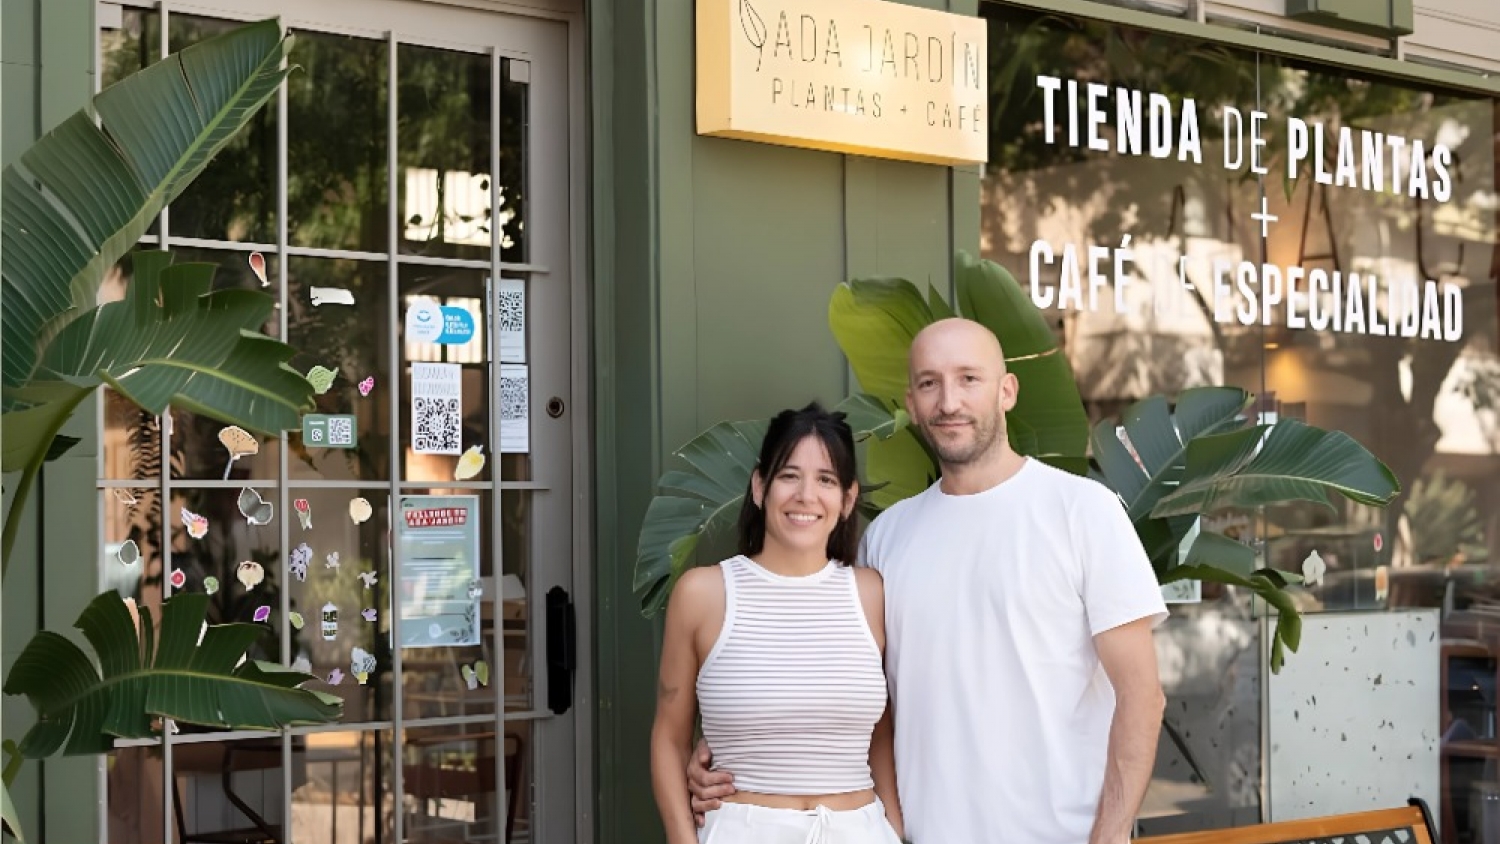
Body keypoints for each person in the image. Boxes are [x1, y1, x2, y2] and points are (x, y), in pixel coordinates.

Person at [689, 318, 1168, 844]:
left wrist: (1111, 835)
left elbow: (1141, 696)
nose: (949, 402)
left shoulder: (1081, 510)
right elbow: (844, 692)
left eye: (969, 379)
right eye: (929, 383)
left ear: (1006, 391)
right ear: (912, 403)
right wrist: (719, 754)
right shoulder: (887, 537)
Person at [651, 403, 906, 844]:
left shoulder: (872, 594)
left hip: (858, 829)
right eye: (789, 475)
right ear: (759, 487)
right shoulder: (702, 594)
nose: (806, 495)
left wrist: (893, 829)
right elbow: (669, 736)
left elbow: (880, 734)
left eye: (825, 479)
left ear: (847, 499)